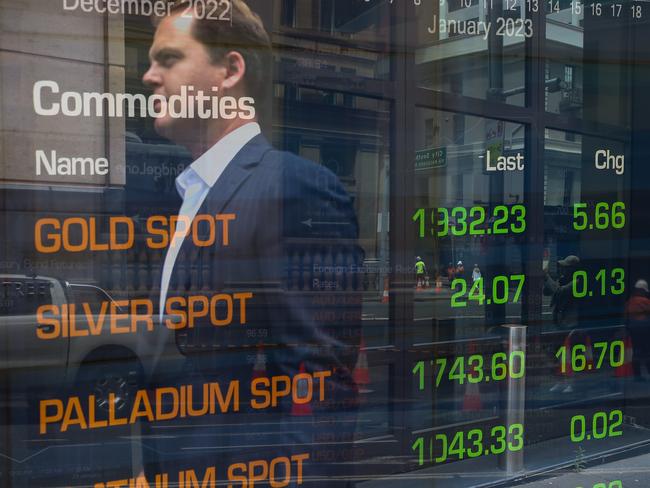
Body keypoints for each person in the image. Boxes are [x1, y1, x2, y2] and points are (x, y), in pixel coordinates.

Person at [141, 1, 363, 483]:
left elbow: (320, 385)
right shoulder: (184, 196)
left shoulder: (295, 188)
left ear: (230, 70)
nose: (149, 75)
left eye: (169, 58)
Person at [544, 255, 581, 393]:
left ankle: (570, 382)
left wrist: (547, 276)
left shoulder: (577, 281)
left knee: (568, 356)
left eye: (566, 267)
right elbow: (547, 291)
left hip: (570, 324)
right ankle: (559, 380)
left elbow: (560, 292)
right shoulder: (563, 279)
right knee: (553, 353)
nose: (563, 269)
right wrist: (546, 279)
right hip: (559, 323)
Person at [624, 279, 650, 381]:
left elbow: (625, 316)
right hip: (645, 329)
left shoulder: (629, 302)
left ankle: (637, 375)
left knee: (636, 352)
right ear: (642, 290)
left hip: (633, 329)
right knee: (647, 352)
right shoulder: (646, 302)